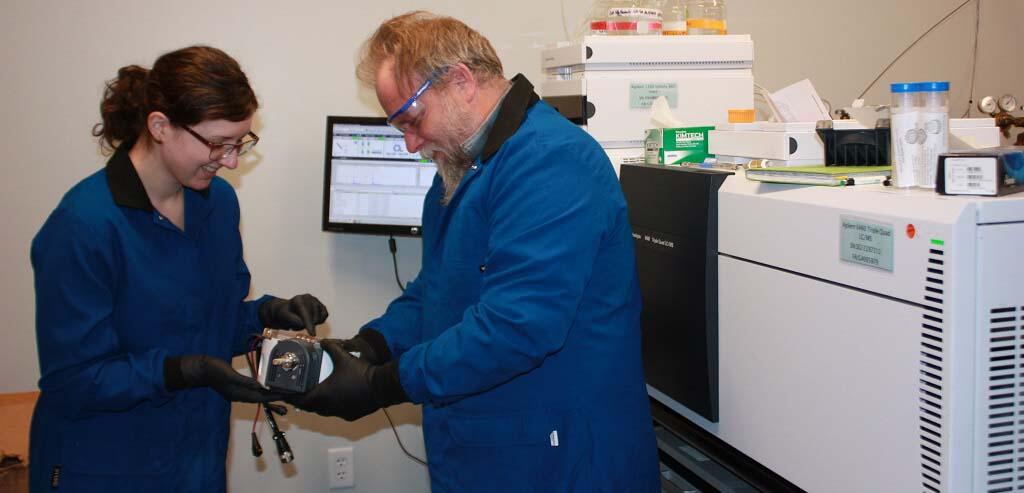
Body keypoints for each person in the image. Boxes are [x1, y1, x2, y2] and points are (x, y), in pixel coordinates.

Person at [288, 12, 659, 492]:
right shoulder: (464, 166)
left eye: (412, 120)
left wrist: (383, 383)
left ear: (460, 81)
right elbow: (435, 289)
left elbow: (517, 327)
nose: (409, 144)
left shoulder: (551, 163)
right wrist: (368, 346)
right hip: (485, 451)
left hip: (560, 461)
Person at [29, 45, 328, 492]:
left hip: (196, 459)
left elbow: (206, 324)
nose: (230, 161)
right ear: (160, 126)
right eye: (217, 143)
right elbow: (73, 380)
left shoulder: (217, 203)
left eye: (240, 143)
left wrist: (267, 314)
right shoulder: (84, 225)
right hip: (105, 465)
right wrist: (183, 371)